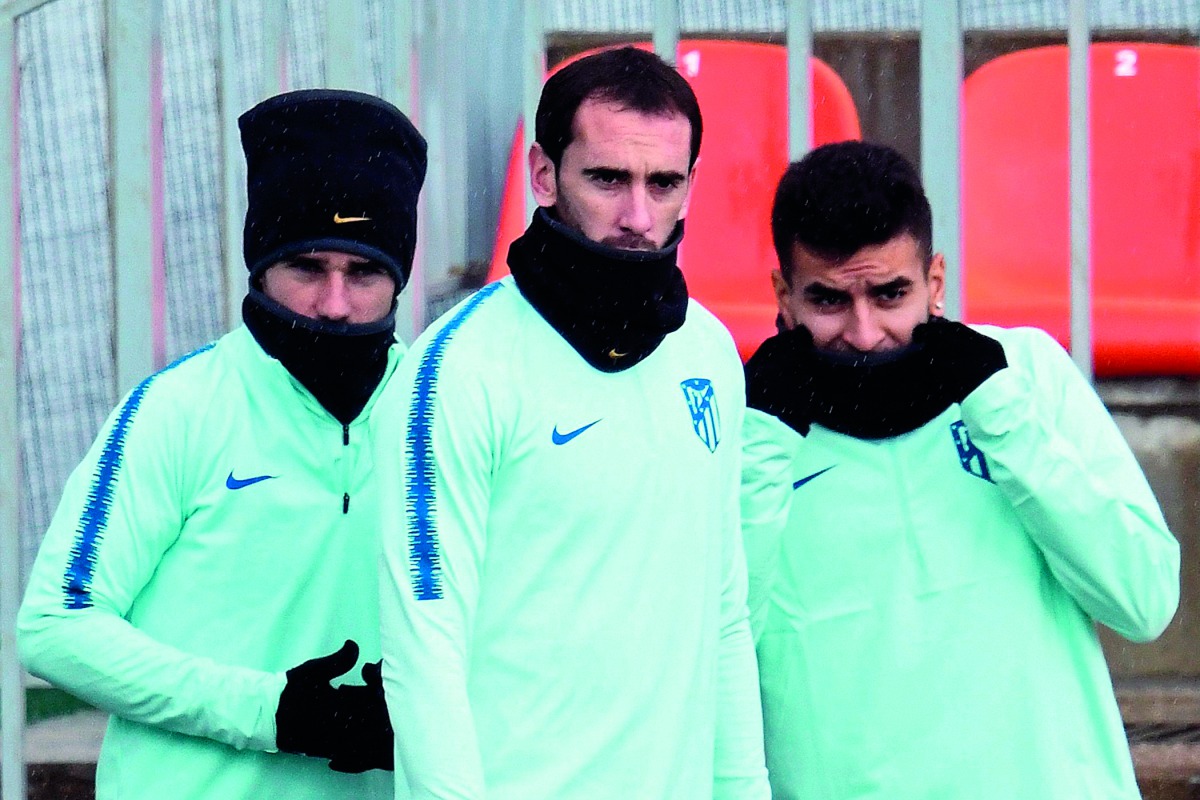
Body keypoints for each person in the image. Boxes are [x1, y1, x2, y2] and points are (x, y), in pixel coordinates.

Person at [373, 46, 770, 799]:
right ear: (543, 175)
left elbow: (722, 615)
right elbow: (425, 649)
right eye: (608, 179)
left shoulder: (711, 353)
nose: (638, 216)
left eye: (664, 183)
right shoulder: (456, 370)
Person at [18, 89, 427, 800]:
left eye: (362, 272)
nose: (334, 303)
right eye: (307, 267)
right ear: (259, 263)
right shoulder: (177, 410)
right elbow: (57, 624)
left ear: (398, 276)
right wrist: (276, 713)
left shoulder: (439, 415)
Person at [742, 140, 1180, 799]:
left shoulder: (1024, 374)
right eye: (830, 301)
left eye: (891, 294)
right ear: (783, 293)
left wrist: (1000, 417)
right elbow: (707, 653)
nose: (864, 333)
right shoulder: (749, 430)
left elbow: (1142, 602)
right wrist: (762, 449)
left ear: (935, 283)